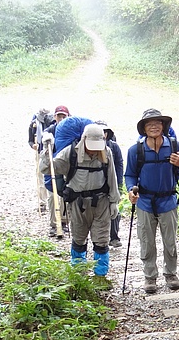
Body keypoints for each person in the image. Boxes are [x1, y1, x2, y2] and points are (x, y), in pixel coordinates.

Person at [40, 123, 121, 278]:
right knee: (78, 239)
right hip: (77, 203)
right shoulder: (70, 153)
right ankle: (79, 275)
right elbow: (47, 168)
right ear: (84, 139)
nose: (94, 149)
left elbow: (112, 177)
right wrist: (46, 149)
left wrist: (114, 202)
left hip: (101, 203)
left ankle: (100, 277)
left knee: (102, 241)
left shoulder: (107, 152)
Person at [124, 109, 179, 293]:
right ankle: (150, 277)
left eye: (158, 123)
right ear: (143, 128)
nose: (154, 126)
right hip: (145, 201)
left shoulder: (174, 145)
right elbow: (130, 175)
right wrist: (130, 190)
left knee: (170, 240)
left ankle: (171, 274)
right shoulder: (136, 150)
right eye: (149, 123)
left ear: (163, 126)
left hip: (168, 200)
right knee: (146, 240)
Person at [43, 105, 71, 236]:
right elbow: (42, 154)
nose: (61, 118)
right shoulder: (49, 131)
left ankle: (64, 222)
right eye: (59, 116)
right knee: (52, 196)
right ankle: (54, 224)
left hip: (65, 167)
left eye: (64, 116)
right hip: (52, 168)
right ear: (55, 117)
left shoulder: (71, 130)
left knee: (65, 194)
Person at [97, 122, 124, 248]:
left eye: (104, 131)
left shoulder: (114, 147)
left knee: (114, 211)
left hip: (112, 183)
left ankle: (114, 237)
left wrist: (118, 185)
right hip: (97, 186)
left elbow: (119, 165)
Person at [28, 108, 55, 213]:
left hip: (52, 152)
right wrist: (33, 145)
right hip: (40, 152)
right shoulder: (34, 124)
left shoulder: (52, 124)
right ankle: (42, 202)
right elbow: (30, 140)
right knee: (40, 176)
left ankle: (51, 201)